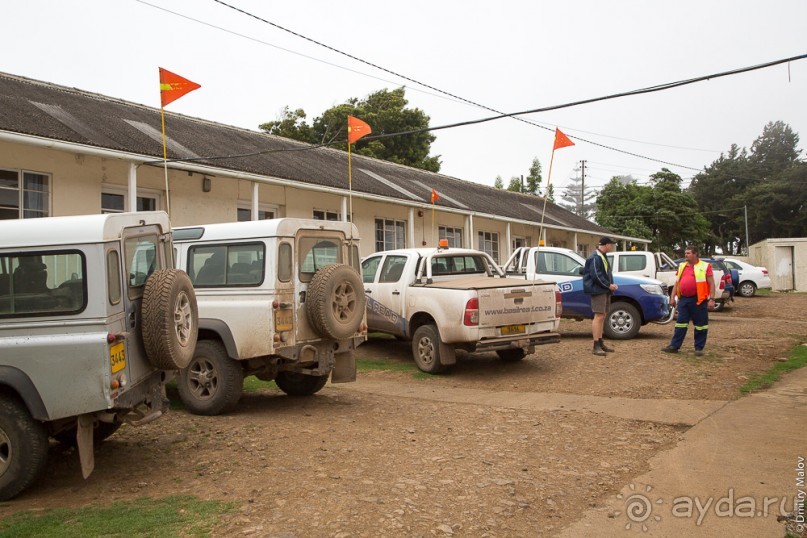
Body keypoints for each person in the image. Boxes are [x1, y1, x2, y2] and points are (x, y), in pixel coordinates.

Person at [662, 245, 715, 356]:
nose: (686, 255)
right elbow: (677, 282)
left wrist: (712, 299)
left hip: (698, 300)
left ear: (695, 254)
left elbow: (711, 283)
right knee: (680, 323)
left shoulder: (705, 266)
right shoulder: (682, 266)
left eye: (689, 253)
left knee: (701, 325)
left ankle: (699, 348)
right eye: (685, 253)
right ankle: (674, 346)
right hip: (684, 299)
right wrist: (672, 297)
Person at [583, 236, 618, 356]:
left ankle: (600, 342)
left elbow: (605, 273)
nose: (612, 247)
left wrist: (610, 285)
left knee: (603, 315)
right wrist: (609, 285)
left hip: (604, 290)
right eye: (611, 244)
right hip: (598, 290)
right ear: (606, 244)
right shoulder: (594, 258)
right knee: (598, 316)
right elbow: (596, 276)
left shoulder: (602, 256)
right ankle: (595, 345)